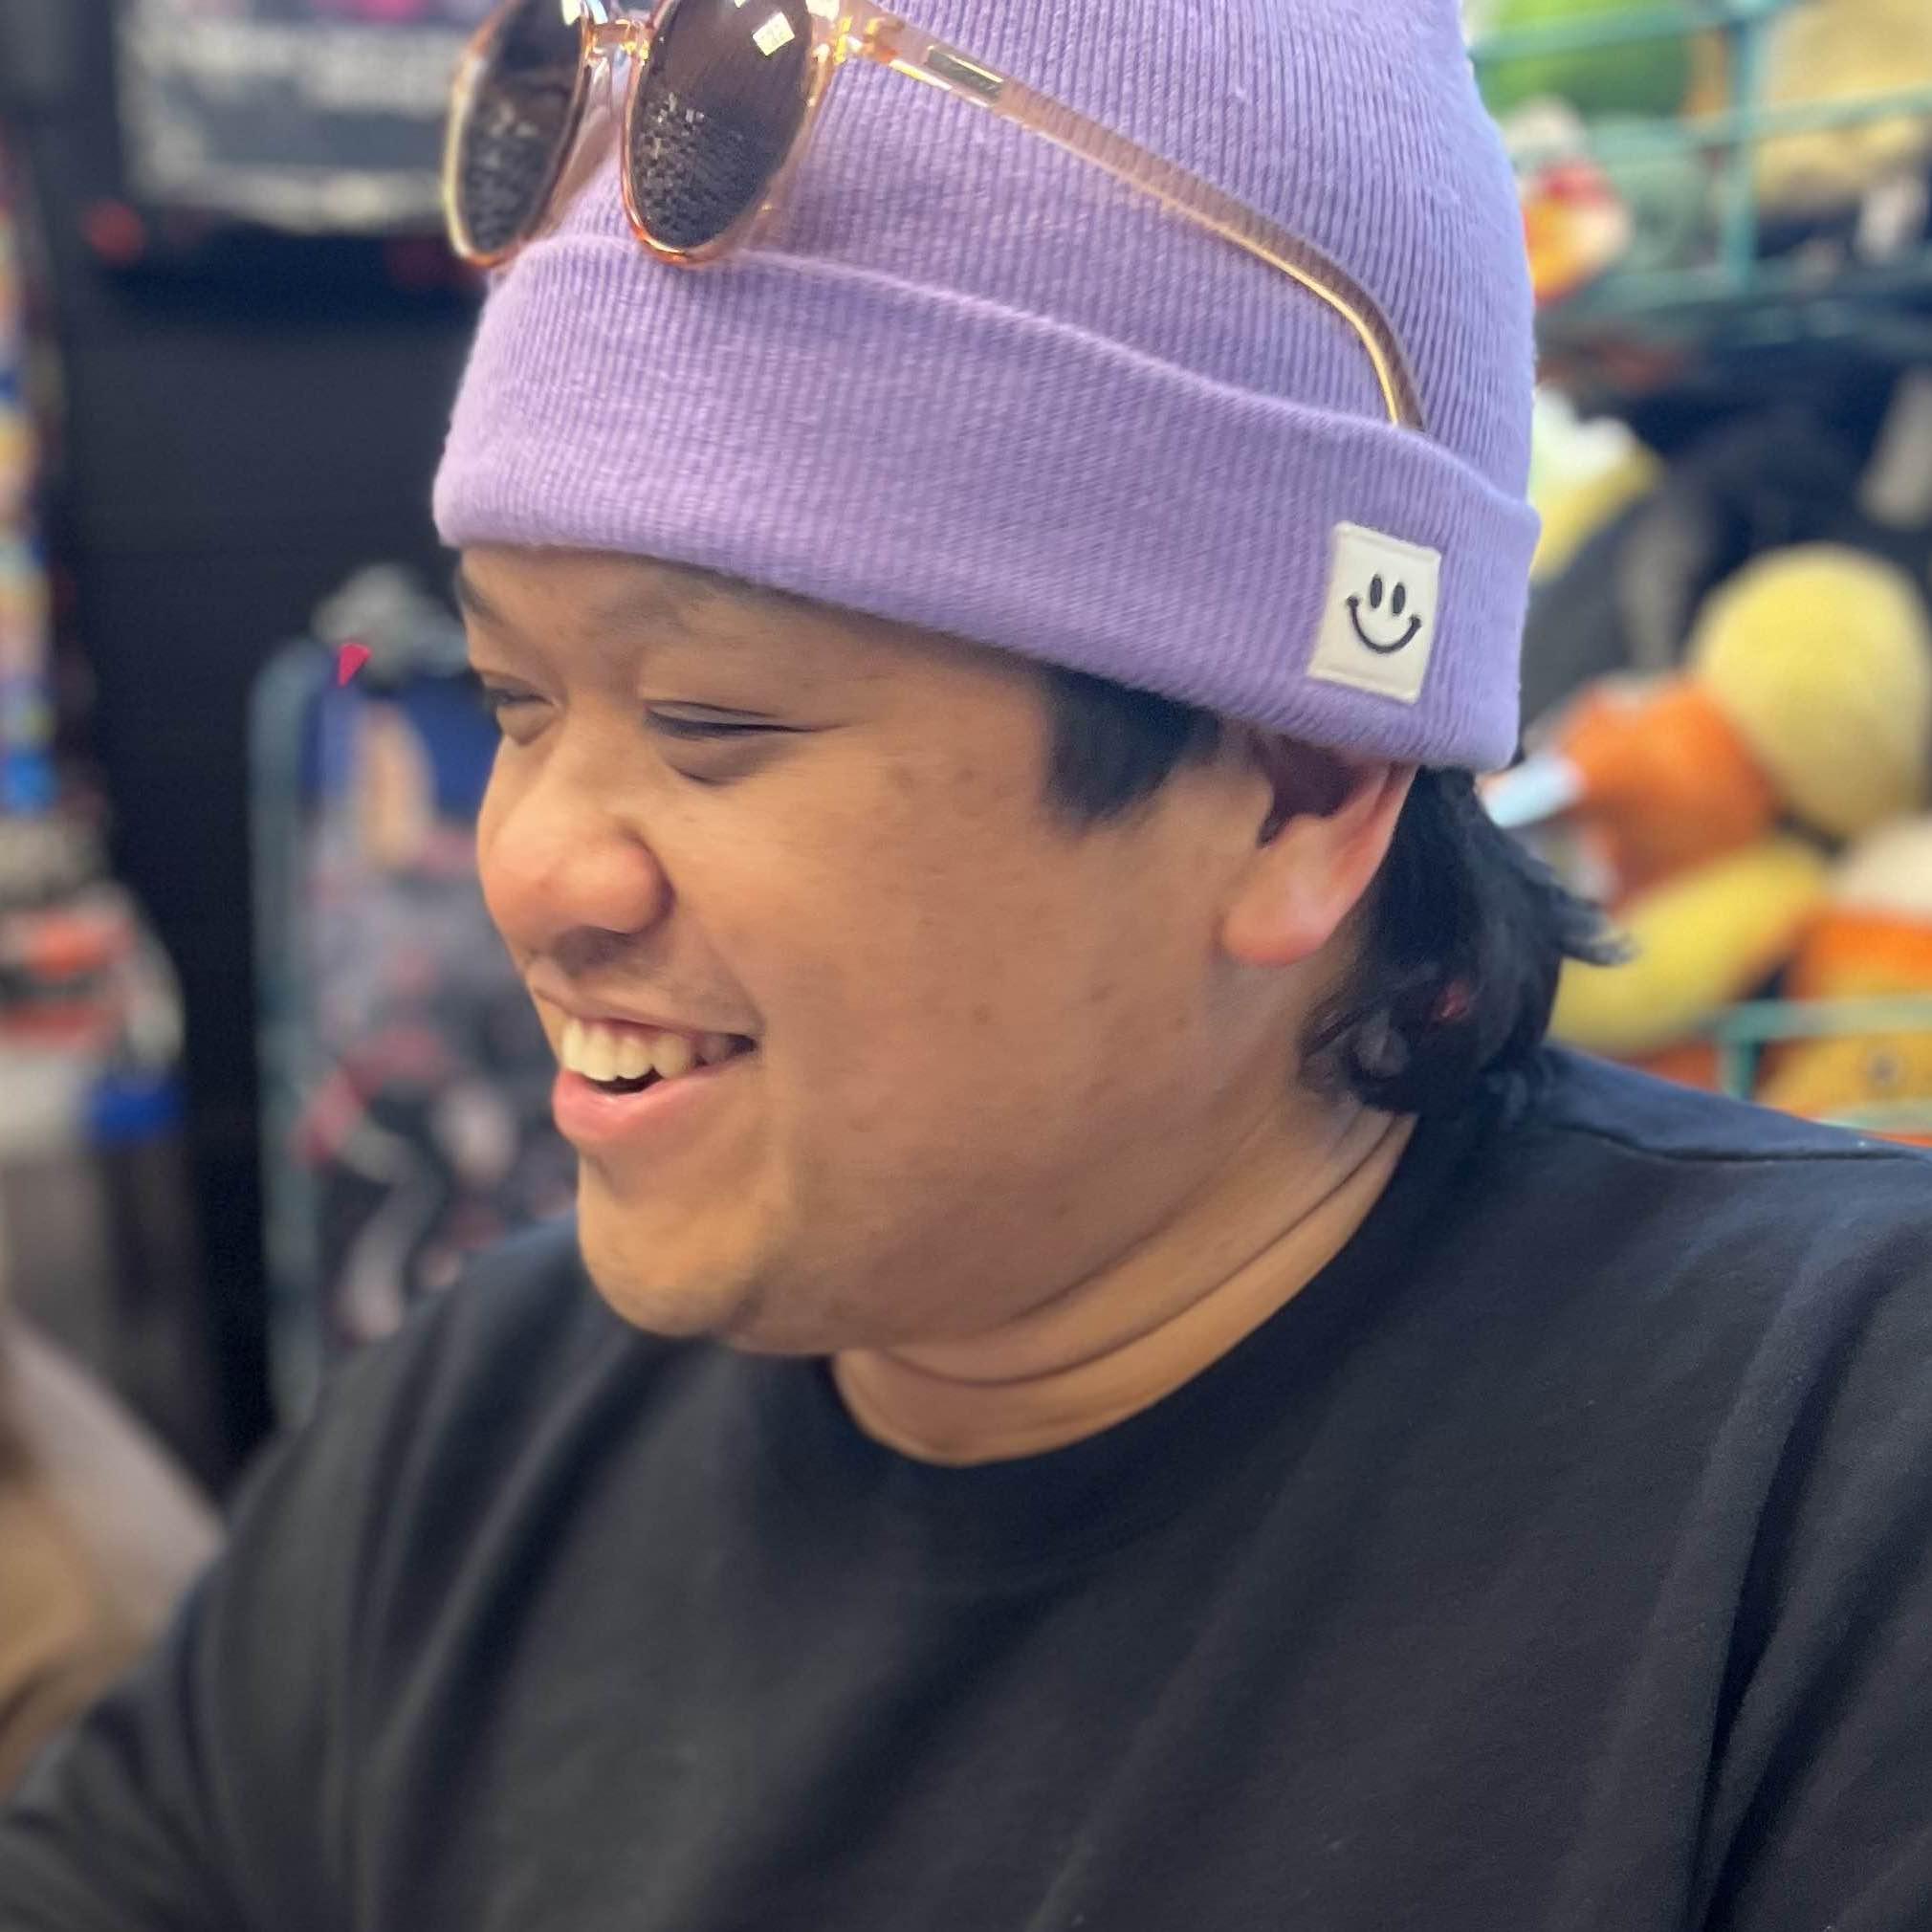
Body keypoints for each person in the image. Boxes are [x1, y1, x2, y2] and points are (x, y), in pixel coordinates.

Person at [4, 0, 1930, 1924]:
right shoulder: (467, 1450)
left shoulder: (1826, 1494)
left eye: (709, 721)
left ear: (1297, 789)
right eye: (512, 698)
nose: (531, 868)